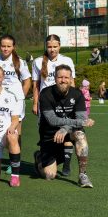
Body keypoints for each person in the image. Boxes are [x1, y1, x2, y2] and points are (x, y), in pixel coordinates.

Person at [34, 65, 95, 188]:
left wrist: (65, 128)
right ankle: (39, 157)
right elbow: (52, 120)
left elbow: (81, 118)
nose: (63, 80)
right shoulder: (46, 93)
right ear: (55, 78)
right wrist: (77, 123)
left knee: (80, 135)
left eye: (66, 77)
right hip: (49, 136)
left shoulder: (77, 94)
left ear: (71, 79)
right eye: (60, 77)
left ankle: (83, 175)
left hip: (68, 132)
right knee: (49, 175)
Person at [0, 35, 31, 174]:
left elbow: (27, 81)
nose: (5, 49)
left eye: (8, 46)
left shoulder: (20, 62)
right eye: (3, 46)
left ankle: (14, 162)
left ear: (13, 47)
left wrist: (20, 97)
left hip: (16, 103)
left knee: (15, 133)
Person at [32, 34, 75, 176]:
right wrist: (35, 103)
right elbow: (36, 85)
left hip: (64, 105)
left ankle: (66, 165)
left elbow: (72, 83)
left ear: (59, 46)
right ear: (46, 47)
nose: (52, 49)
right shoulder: (38, 62)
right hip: (46, 106)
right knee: (47, 137)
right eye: (49, 46)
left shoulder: (67, 60)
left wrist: (74, 102)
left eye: (55, 46)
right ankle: (42, 156)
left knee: (68, 133)